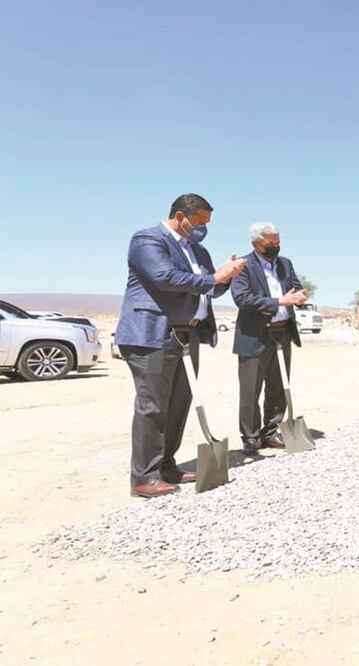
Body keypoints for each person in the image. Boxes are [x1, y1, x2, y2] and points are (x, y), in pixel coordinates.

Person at [115, 194, 246, 498]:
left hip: (188, 336)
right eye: (199, 222)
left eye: (207, 224)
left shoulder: (198, 250)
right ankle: (144, 477)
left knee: (177, 406)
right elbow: (164, 277)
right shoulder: (148, 239)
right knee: (153, 406)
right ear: (179, 215)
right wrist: (214, 276)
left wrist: (227, 276)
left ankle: (167, 466)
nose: (203, 229)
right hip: (152, 335)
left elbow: (210, 288)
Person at [230, 222, 308, 455]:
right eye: (269, 244)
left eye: (277, 242)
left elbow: (296, 287)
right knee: (250, 389)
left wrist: (301, 295)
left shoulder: (285, 264)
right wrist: (278, 302)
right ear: (255, 244)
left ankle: (271, 431)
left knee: (278, 386)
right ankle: (251, 436)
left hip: (282, 333)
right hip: (254, 336)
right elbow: (242, 298)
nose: (275, 247)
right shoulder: (243, 266)